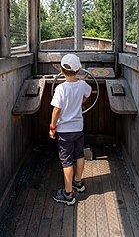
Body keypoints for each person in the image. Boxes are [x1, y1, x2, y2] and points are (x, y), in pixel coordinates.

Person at [49, 54, 92, 205]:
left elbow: (56, 110)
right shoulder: (82, 85)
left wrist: (52, 127)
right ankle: (78, 182)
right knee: (79, 155)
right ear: (78, 68)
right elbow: (87, 93)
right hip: (78, 128)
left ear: (61, 69)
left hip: (64, 131)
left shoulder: (60, 88)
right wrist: (81, 101)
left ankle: (68, 194)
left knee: (66, 161)